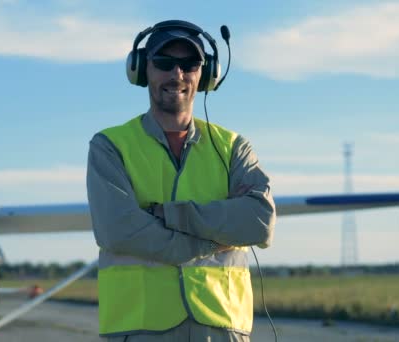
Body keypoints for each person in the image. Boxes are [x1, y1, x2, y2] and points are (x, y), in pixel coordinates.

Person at [86, 20, 276, 341]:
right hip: (139, 327)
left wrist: (175, 215)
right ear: (142, 69)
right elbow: (118, 230)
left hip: (221, 327)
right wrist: (215, 241)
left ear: (207, 73)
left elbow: (259, 223)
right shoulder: (110, 146)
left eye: (190, 64)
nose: (177, 74)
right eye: (164, 63)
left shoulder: (233, 147)